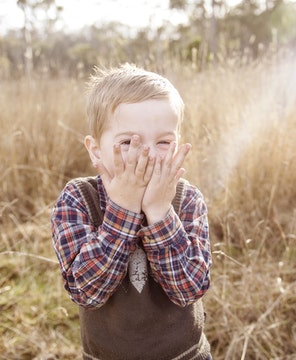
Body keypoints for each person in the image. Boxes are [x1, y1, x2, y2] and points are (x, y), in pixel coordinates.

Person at [50, 63, 212, 360]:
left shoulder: (187, 199)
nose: (148, 154)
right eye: (128, 142)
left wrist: (160, 212)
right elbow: (87, 292)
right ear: (96, 150)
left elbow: (189, 289)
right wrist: (122, 211)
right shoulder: (77, 199)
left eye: (164, 142)